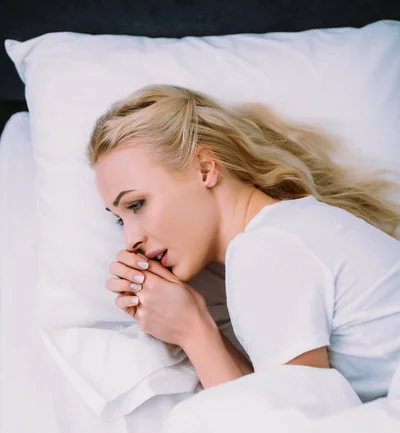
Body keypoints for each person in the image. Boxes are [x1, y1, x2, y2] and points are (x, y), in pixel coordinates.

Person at [87, 84, 400, 403]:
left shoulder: (267, 250)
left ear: (205, 168)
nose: (130, 240)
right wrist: (192, 322)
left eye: (137, 204)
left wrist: (191, 330)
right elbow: (272, 407)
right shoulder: (291, 228)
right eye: (119, 219)